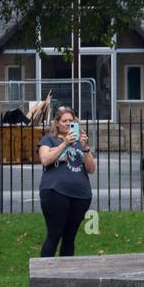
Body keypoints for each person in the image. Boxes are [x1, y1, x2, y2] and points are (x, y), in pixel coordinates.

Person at [38, 107, 96, 257]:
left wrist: (85, 148)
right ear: (57, 123)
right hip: (55, 193)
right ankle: (44, 274)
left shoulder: (79, 142)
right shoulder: (48, 140)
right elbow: (45, 160)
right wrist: (64, 144)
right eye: (65, 121)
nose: (68, 123)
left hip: (80, 196)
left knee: (69, 238)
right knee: (54, 234)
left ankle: (65, 276)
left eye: (71, 121)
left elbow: (91, 169)